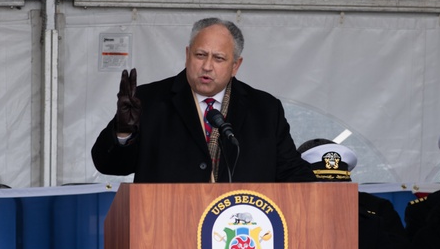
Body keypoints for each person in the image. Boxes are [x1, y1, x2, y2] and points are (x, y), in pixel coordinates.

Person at [91, 17, 315, 183]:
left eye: (218, 58)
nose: (207, 66)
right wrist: (123, 133)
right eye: (200, 55)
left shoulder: (265, 109)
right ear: (187, 54)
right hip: (165, 230)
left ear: (236, 65)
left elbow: (290, 171)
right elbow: (109, 165)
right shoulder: (148, 101)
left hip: (240, 237)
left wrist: (331, 193)